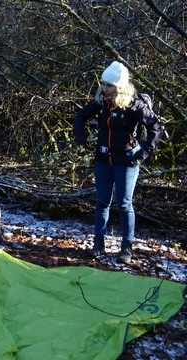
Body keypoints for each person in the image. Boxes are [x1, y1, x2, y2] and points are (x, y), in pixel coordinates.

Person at [73, 61, 163, 263]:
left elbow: (156, 128)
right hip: (103, 160)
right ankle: (99, 244)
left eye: (109, 85)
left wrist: (142, 152)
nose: (104, 89)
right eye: (103, 84)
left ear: (120, 86)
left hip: (126, 162)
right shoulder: (101, 101)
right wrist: (81, 136)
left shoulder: (134, 104)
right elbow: (80, 116)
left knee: (124, 204)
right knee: (102, 201)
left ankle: (126, 249)